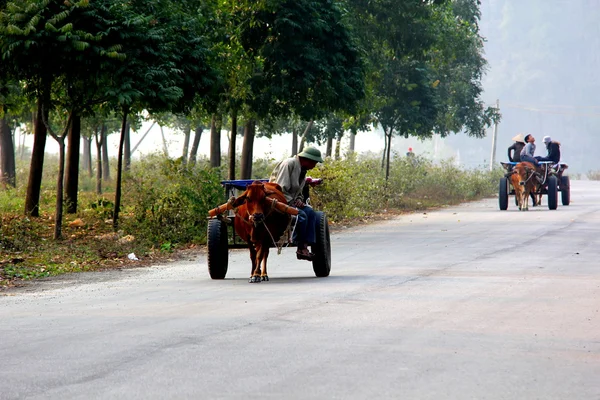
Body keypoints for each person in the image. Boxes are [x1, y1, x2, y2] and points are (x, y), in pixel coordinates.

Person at [269, 146, 324, 261]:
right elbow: (280, 188)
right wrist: (293, 201)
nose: (314, 166)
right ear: (307, 159)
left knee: (310, 212)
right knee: (301, 216)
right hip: (277, 200)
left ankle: (304, 246)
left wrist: (299, 199)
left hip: (290, 201)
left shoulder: (302, 170)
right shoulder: (289, 164)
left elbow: (298, 191)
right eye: (314, 162)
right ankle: (299, 245)